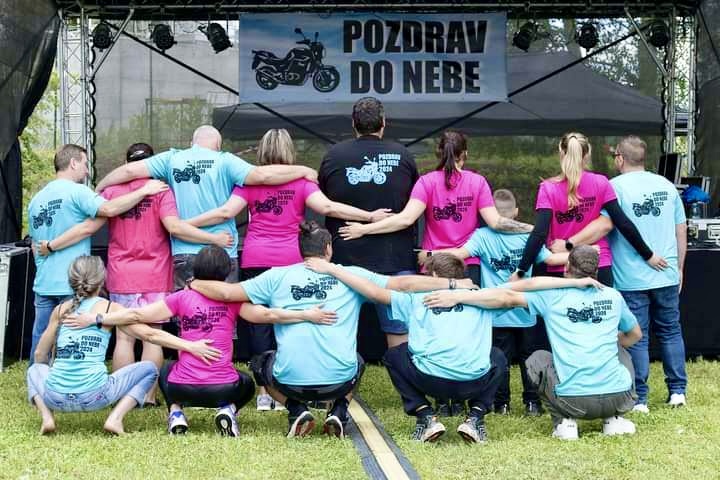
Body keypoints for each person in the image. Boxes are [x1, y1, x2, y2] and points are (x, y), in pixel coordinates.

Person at [189, 221, 476, 439]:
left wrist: (194, 284)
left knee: (260, 364)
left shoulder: (277, 276)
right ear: (328, 249)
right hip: (339, 380)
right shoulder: (352, 275)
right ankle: (339, 411)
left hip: (289, 381)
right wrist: (453, 284)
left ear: (300, 250)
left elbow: (226, 294)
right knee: (358, 361)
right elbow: (403, 284)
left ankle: (296, 410)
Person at [185, 129, 391, 412]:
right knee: (294, 318)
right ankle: (296, 379)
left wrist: (185, 224)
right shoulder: (301, 182)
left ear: (262, 151)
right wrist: (369, 216)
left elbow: (225, 212)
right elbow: (328, 207)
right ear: (289, 151)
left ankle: (264, 393)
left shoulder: (249, 181)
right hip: (292, 261)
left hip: (256, 257)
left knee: (259, 325)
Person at [36, 142, 234, 406]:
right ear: (150, 164)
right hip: (155, 272)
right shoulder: (160, 189)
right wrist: (214, 238)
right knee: (153, 334)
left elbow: (92, 224)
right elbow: (174, 227)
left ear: (126, 164)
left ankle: (123, 395)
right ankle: (148, 396)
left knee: (124, 336)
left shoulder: (110, 192)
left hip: (122, 272)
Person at [66, 245, 337, 437]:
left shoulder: (180, 298)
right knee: (247, 383)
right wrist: (307, 314)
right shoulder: (233, 302)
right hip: (224, 388)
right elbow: (268, 315)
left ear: (196, 269)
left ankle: (176, 412)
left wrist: (97, 318)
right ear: (226, 272)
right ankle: (228, 410)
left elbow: (137, 314)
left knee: (165, 369)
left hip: (182, 387)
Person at [424, 246, 643, 440]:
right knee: (620, 350)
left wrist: (458, 296)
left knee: (537, 358)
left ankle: (565, 423)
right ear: (596, 269)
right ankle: (613, 419)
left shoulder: (551, 296)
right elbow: (634, 335)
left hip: (572, 402)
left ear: (567, 267)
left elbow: (508, 294)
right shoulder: (614, 296)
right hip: (619, 398)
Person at [553, 136, 688, 411]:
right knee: (671, 330)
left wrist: (569, 243)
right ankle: (677, 391)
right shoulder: (667, 186)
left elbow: (603, 226)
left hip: (631, 277)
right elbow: (681, 230)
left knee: (637, 333)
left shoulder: (614, 187)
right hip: (666, 273)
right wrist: (680, 267)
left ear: (620, 159)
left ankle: (640, 397)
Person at [94, 125, 319, 288]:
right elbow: (263, 176)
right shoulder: (225, 160)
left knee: (188, 314)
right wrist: (303, 170)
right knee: (222, 314)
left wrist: (98, 187)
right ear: (218, 145)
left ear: (192, 143)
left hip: (184, 250)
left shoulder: (172, 158)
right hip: (222, 249)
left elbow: (129, 170)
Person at [25, 256, 222, 436]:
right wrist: (190, 346)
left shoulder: (60, 310)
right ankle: (115, 419)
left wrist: (57, 374)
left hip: (54, 397)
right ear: (102, 279)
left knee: (34, 369)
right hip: (95, 396)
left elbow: (40, 354)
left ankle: (47, 417)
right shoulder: (109, 308)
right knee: (149, 369)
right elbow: (150, 334)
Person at [419, 189, 570, 416]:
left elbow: (460, 253)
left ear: (490, 214)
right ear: (516, 212)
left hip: (495, 310)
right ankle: (532, 404)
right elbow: (550, 259)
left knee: (500, 358)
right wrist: (582, 252)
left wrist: (429, 254)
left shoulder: (482, 235)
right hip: (525, 307)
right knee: (530, 357)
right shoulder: (529, 236)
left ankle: (501, 404)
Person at [27, 143, 169, 362]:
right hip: (74, 281)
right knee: (72, 339)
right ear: (73, 163)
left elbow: (35, 242)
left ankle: (38, 378)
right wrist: (143, 191)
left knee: (43, 337)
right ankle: (71, 379)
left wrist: (49, 249)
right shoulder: (79, 192)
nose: (87, 171)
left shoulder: (36, 199)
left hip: (44, 282)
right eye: (85, 164)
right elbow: (104, 214)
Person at [318, 97, 419, 349]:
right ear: (383, 123)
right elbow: (415, 202)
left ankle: (339, 376)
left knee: (338, 328)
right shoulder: (403, 155)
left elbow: (323, 199)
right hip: (395, 258)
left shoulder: (333, 156)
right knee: (399, 331)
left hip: (345, 259)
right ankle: (404, 375)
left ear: (353, 123)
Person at [514, 132, 666, 287]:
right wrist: (648, 255)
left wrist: (521, 271)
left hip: (560, 267)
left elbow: (539, 233)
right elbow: (623, 223)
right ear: (587, 155)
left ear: (561, 154)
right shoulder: (601, 182)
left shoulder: (548, 188)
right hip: (597, 265)